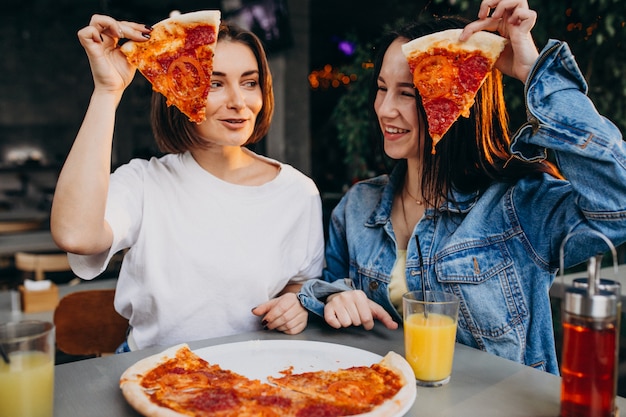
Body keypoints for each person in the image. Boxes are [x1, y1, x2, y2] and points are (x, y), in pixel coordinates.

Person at [298, 0, 626, 375]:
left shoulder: (518, 205)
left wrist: (534, 72)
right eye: (382, 88)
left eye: (407, 92)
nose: (385, 109)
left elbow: (618, 204)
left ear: (460, 100)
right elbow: (327, 301)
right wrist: (333, 300)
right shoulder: (356, 207)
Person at [50, 15, 324, 351]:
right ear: (179, 89)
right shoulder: (144, 182)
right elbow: (75, 235)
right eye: (215, 83)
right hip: (152, 371)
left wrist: (296, 305)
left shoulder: (298, 192)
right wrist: (108, 91)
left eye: (250, 83)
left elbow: (301, 284)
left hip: (254, 371)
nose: (239, 101)